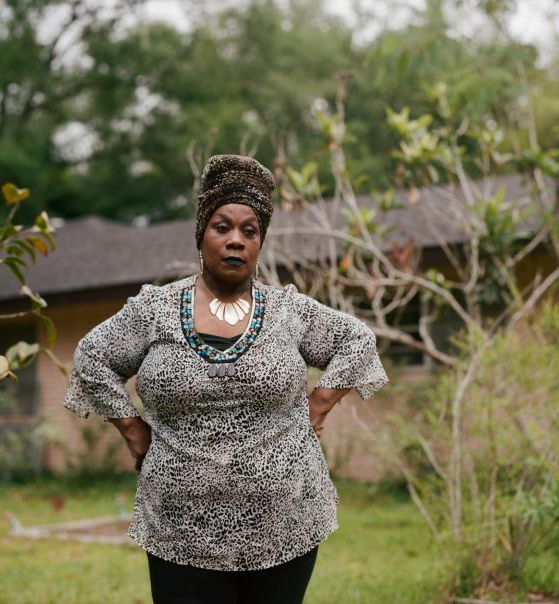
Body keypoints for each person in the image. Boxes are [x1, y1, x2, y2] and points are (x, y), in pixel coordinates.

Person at [63, 154, 389, 604]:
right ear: (201, 235)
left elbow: (357, 339)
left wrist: (319, 403)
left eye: (249, 231)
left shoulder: (288, 311)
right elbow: (92, 357)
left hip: (285, 521)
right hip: (179, 528)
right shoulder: (154, 310)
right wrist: (132, 428)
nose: (235, 240)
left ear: (260, 243)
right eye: (222, 227)